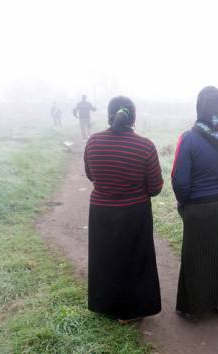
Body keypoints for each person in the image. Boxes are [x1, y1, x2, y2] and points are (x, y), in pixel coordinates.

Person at [84, 95, 163, 323]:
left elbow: (91, 175)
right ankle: (131, 311)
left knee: (106, 259)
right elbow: (156, 187)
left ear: (109, 116)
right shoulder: (145, 146)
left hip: (101, 211)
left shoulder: (93, 142)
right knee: (134, 260)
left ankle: (108, 306)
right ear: (133, 117)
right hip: (134, 213)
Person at [171, 86, 218, 320]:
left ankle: (194, 307)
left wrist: (184, 204)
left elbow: (179, 179)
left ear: (198, 107)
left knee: (196, 257)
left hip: (198, 208)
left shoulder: (188, 138)